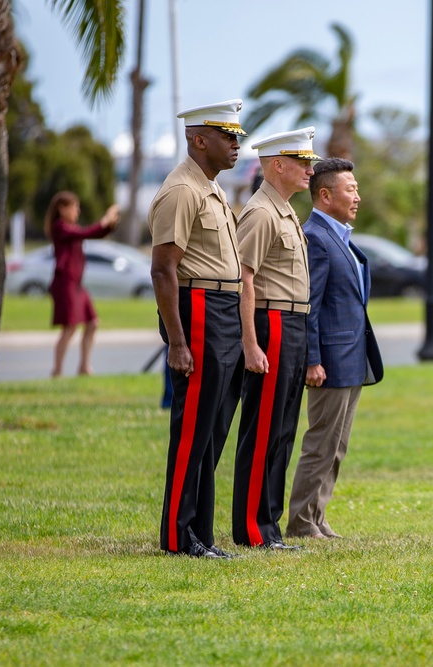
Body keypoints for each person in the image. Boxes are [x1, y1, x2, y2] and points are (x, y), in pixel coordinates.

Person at [148, 99, 248, 560]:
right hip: (199, 310)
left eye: (238, 136)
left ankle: (201, 536)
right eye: (228, 136)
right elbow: (164, 270)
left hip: (223, 310)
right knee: (192, 430)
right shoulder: (181, 191)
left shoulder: (211, 189)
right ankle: (178, 536)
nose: (236, 144)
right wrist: (178, 342)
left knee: (211, 431)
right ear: (198, 139)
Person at [286, 158, 383, 540]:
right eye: (350, 189)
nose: (357, 196)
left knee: (337, 446)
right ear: (324, 196)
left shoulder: (340, 236)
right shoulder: (317, 239)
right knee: (321, 443)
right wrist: (313, 360)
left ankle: (317, 516)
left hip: (351, 360)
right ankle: (300, 523)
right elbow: (309, 304)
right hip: (329, 362)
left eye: (357, 188)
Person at [233, 127, 319, 550]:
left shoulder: (283, 210)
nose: (310, 169)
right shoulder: (262, 212)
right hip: (272, 325)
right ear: (277, 165)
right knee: (263, 428)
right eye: (302, 162)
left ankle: (269, 526)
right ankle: (252, 528)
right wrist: (250, 342)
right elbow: (243, 280)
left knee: (282, 431)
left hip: (294, 326)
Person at [46, 191, 120, 377]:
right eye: (74, 207)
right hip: (65, 284)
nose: (77, 211)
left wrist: (110, 223)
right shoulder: (60, 227)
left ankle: (84, 366)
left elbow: (95, 234)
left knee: (92, 323)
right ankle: (57, 371)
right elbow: (87, 232)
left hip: (77, 285)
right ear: (62, 209)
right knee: (69, 328)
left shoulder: (70, 228)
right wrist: (105, 219)